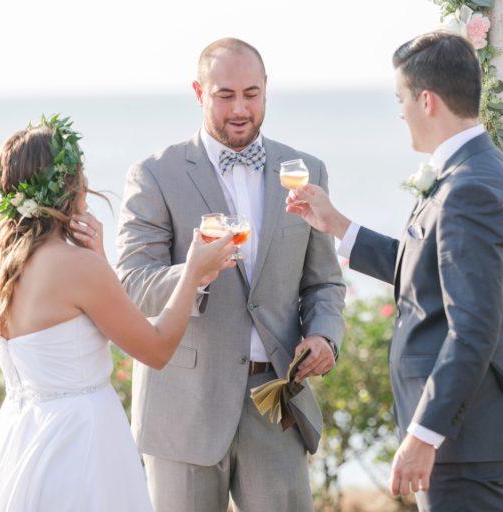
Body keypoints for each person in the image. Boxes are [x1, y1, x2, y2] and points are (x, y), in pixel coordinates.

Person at [286, 32, 503, 511]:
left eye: (401, 99)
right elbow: (431, 271)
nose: (400, 112)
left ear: (427, 100)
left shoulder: (468, 188)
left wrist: (424, 436)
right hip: (463, 438)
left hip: (459, 439)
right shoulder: (474, 170)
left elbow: (472, 330)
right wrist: (337, 226)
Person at [0, 115, 235, 512]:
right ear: (68, 183)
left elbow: (93, 320)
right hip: (82, 441)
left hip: (23, 435)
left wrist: (99, 260)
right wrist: (193, 272)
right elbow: (156, 349)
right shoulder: (77, 269)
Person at [116, 38, 346, 512]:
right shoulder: (155, 175)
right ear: (199, 92)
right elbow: (133, 286)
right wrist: (194, 274)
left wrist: (324, 336)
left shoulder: (307, 171)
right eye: (225, 95)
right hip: (182, 408)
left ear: (267, 91)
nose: (240, 108)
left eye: (251, 93)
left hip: (275, 402)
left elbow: (323, 281)